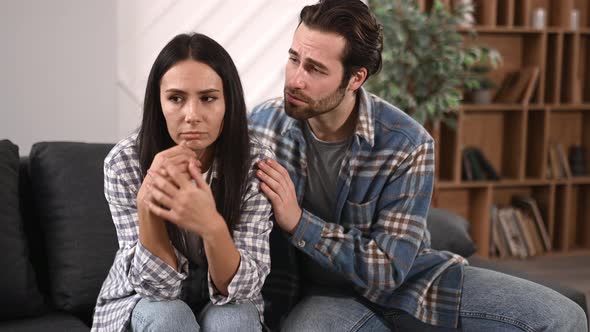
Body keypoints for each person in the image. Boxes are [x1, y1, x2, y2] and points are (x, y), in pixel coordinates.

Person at [250, 1, 588, 331]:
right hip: (321, 297)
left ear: (355, 79)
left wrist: (298, 222)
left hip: (410, 285)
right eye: (294, 59)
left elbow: (387, 270)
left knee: (565, 316)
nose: (295, 79)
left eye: (315, 69)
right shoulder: (262, 126)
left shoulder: (407, 143)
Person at [92, 33, 273, 332]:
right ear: (158, 103)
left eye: (208, 98)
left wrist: (211, 225)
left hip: (226, 301)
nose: (192, 116)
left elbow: (241, 290)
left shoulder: (254, 163)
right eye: (176, 98)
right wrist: (147, 204)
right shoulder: (123, 163)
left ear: (228, 102)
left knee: (235, 319)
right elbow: (157, 290)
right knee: (170, 317)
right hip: (144, 303)